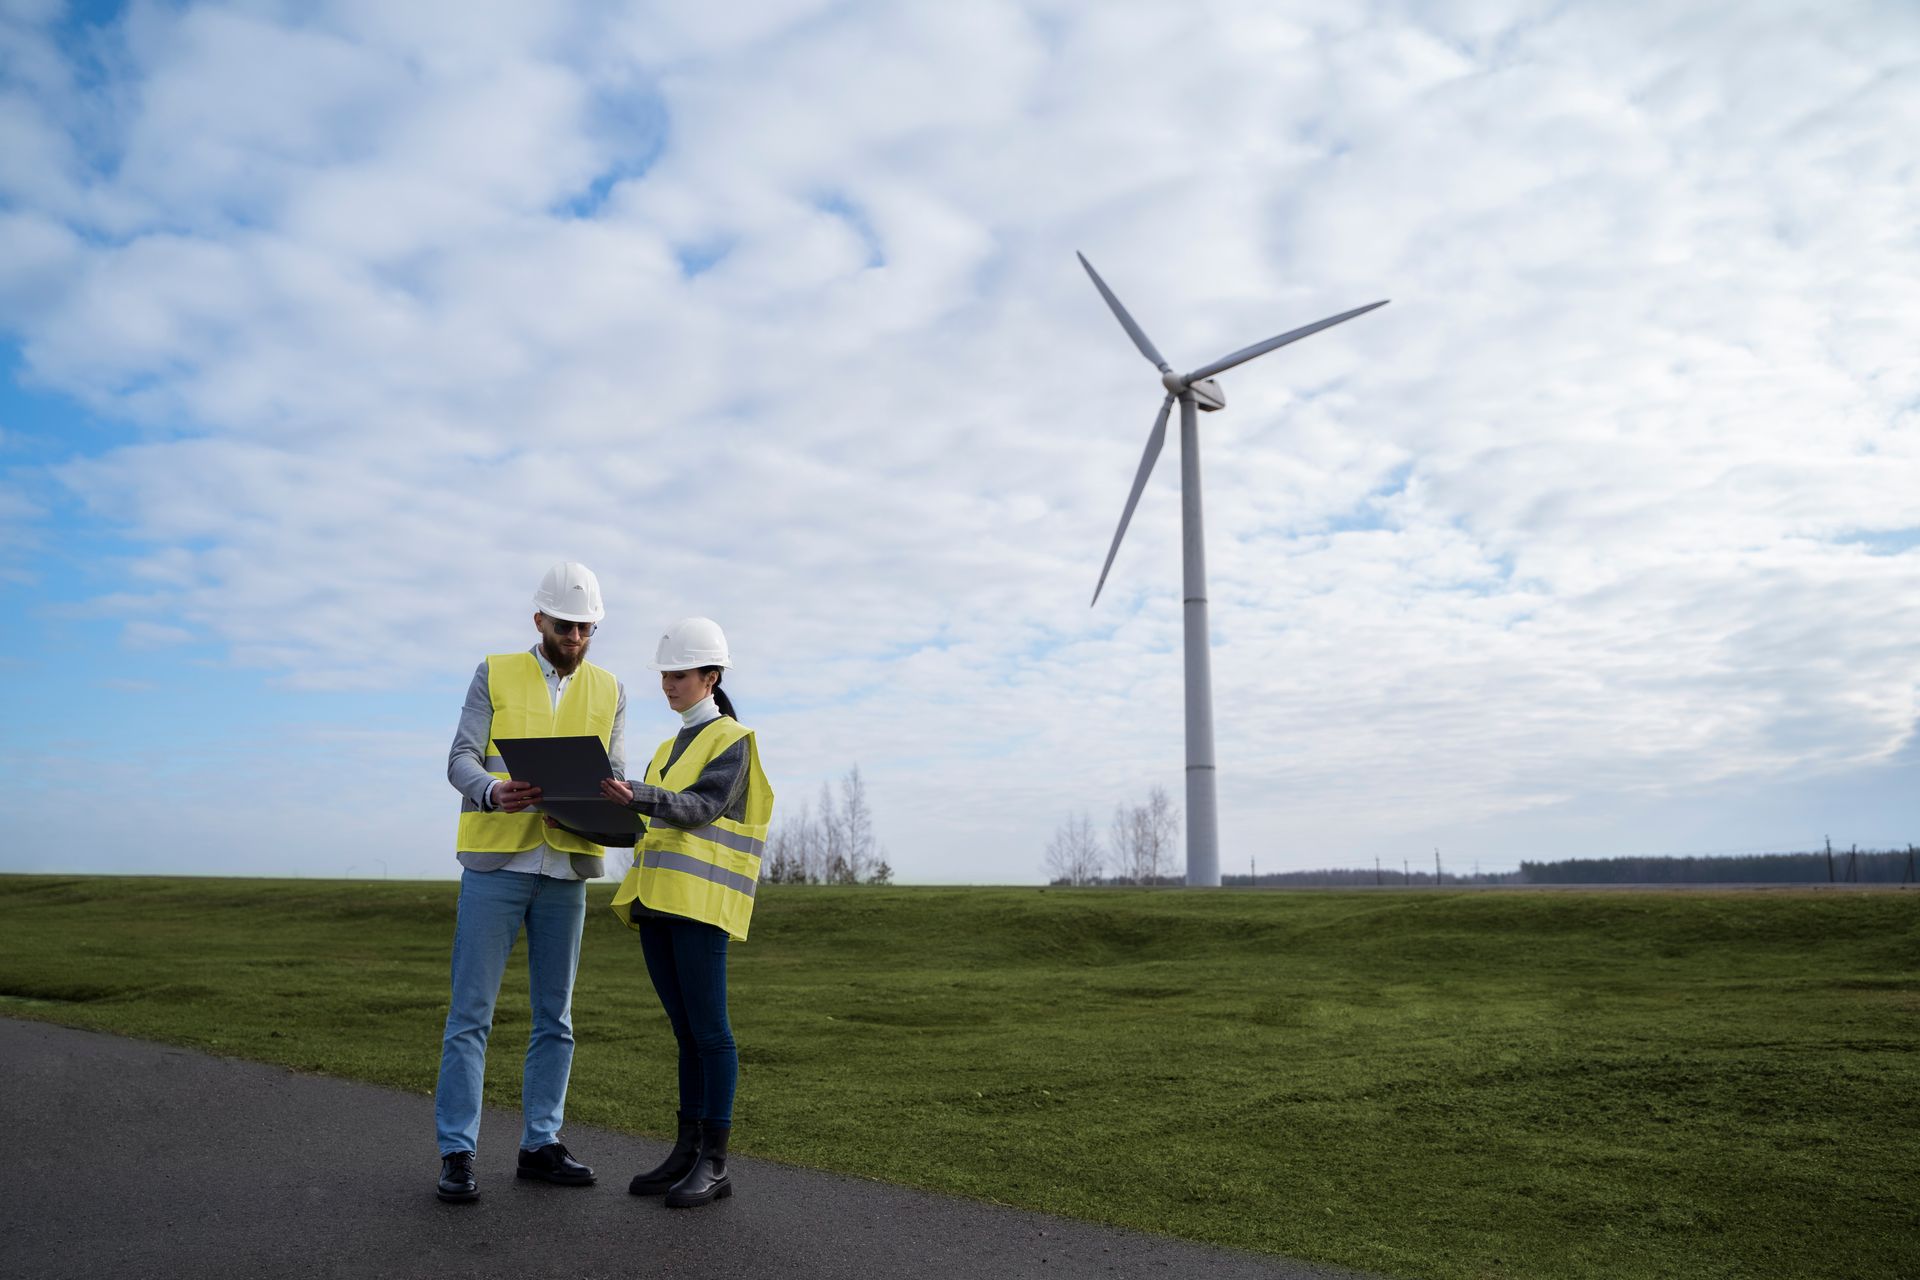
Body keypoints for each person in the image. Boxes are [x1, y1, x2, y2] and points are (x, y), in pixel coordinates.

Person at [433, 561, 627, 1204]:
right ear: (539, 620)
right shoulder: (494, 671)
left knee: (557, 1019)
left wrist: (615, 801)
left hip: (565, 872)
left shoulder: (611, 690)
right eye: (567, 625)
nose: (576, 637)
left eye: (587, 628)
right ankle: (458, 1153)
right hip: (497, 869)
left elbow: (615, 773)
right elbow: (461, 758)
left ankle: (540, 1144)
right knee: (471, 1017)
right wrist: (491, 790)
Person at [598, 617, 774, 1208]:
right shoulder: (664, 748)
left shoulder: (733, 740)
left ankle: (715, 1163)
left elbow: (700, 807)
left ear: (711, 677)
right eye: (665, 675)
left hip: (700, 907)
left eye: (678, 675)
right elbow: (647, 824)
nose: (668, 684)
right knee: (685, 1032)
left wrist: (640, 795)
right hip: (657, 904)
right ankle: (685, 1151)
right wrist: (582, 814)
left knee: (711, 1034)